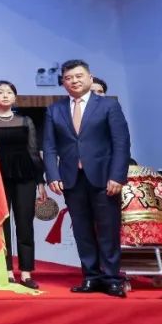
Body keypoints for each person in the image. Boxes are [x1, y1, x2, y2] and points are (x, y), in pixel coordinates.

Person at [43, 59, 131, 298]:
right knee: (82, 231)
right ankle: (91, 277)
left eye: (79, 76)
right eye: (68, 78)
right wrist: (52, 175)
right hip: (72, 179)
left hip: (104, 178)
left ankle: (112, 278)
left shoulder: (108, 106)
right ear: (63, 83)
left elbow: (121, 143)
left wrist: (117, 176)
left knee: (108, 230)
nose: (74, 81)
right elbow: (49, 147)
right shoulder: (54, 110)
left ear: (90, 78)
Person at [0, 81, 46, 289]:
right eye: (0, 92)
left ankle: (26, 272)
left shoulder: (25, 121)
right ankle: (6, 270)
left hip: (25, 177)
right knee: (2, 225)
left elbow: (33, 151)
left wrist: (40, 181)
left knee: (24, 224)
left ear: (15, 97)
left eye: (9, 92)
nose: (5, 95)